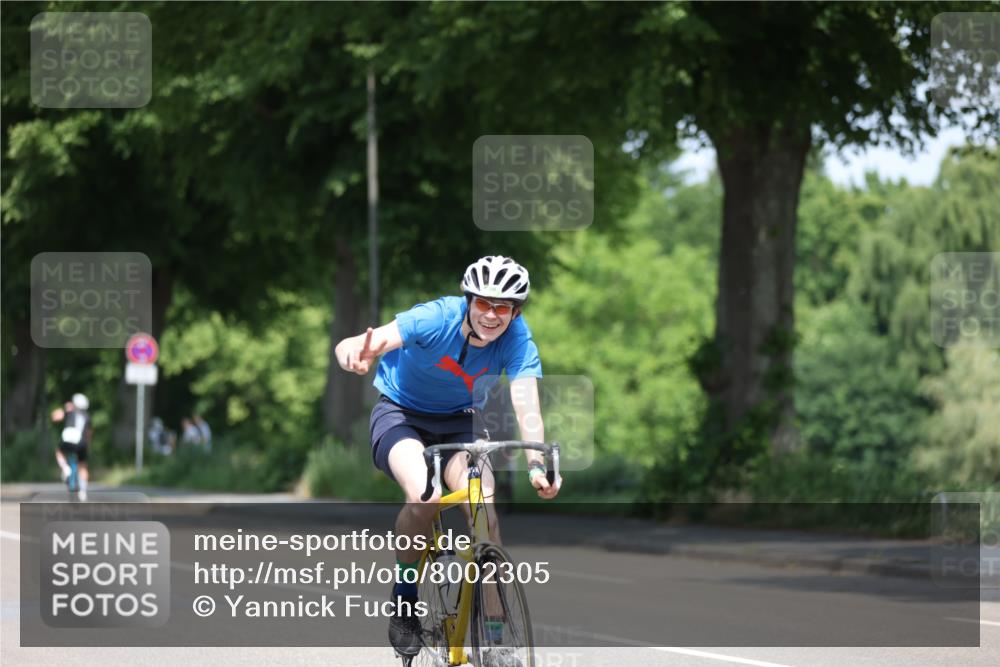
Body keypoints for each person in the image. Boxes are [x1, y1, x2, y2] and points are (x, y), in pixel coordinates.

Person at [335, 255, 561, 663]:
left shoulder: (518, 340)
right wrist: (353, 352)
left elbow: (526, 402)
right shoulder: (435, 317)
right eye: (484, 304)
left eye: (504, 307)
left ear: (516, 311)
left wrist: (535, 464)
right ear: (468, 300)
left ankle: (494, 640)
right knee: (425, 497)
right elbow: (366, 342)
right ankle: (405, 598)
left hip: (461, 422)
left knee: (484, 511)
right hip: (400, 414)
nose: (492, 316)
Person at [52, 393, 93, 501]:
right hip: (81, 443)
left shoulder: (70, 411)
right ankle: (83, 491)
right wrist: (88, 446)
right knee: (83, 466)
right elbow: (89, 434)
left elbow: (56, 416)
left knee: (59, 451)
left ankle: (65, 468)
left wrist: (64, 409)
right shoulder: (87, 416)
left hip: (67, 440)